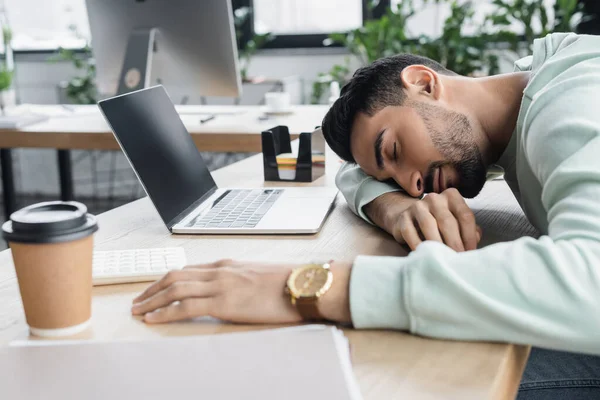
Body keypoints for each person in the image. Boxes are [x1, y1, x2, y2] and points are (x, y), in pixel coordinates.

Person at [131, 33, 600, 398]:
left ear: (422, 83)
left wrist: (319, 287)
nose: (413, 185)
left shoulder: (570, 101)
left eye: (393, 150)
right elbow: (350, 174)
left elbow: (592, 284)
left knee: (385, 378)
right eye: (395, 176)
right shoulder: (521, 96)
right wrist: (391, 204)